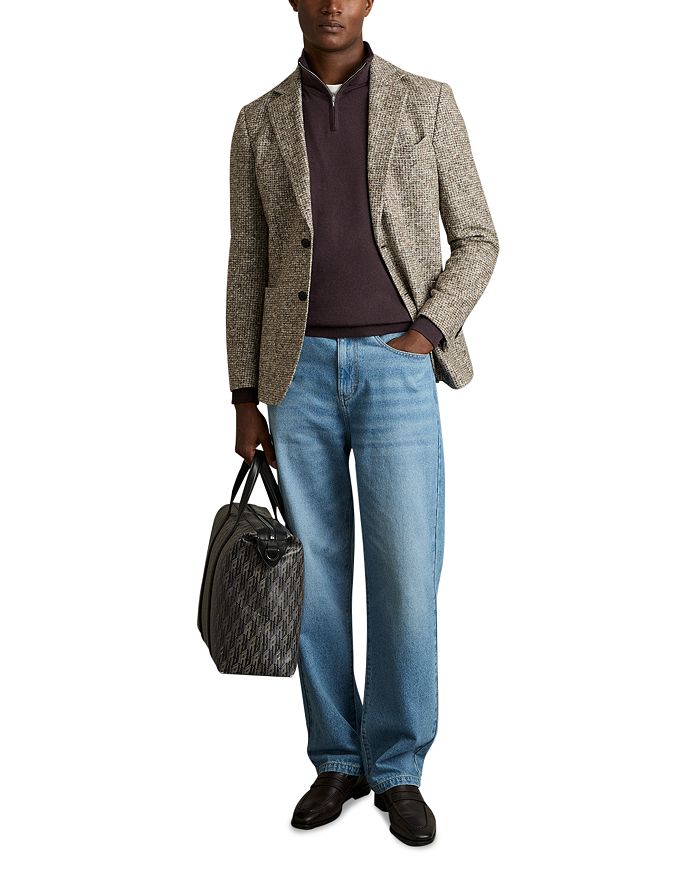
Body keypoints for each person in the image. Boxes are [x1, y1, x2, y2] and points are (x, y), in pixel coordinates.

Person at [226, 0, 498, 846]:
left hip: (397, 368)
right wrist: (244, 394)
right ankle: (337, 758)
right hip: (296, 376)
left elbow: (479, 238)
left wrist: (427, 330)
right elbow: (247, 264)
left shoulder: (428, 102)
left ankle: (399, 767)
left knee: (407, 575)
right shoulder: (259, 122)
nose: (332, 4)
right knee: (311, 580)